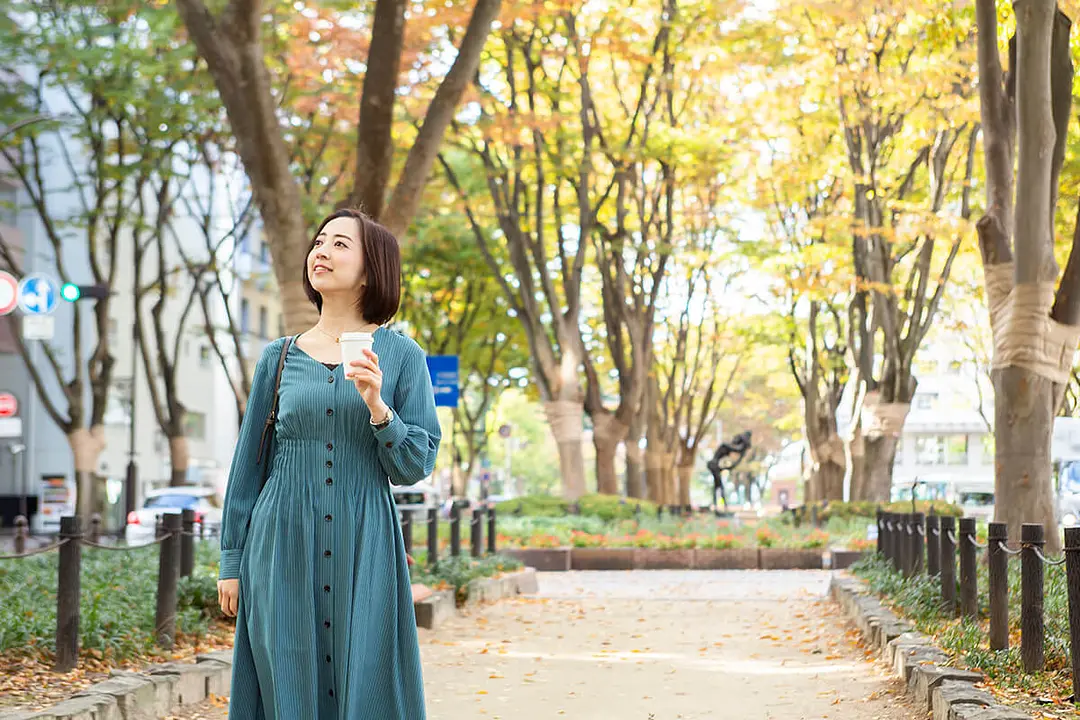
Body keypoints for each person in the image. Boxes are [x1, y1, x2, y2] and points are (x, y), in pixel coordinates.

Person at [216, 208, 441, 719]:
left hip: (366, 541)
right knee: (286, 673)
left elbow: (414, 464)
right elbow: (249, 465)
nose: (322, 250)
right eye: (319, 241)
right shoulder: (278, 357)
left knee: (371, 673)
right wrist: (232, 561)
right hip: (281, 540)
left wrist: (379, 407)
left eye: (341, 244)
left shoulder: (402, 356)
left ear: (371, 268)